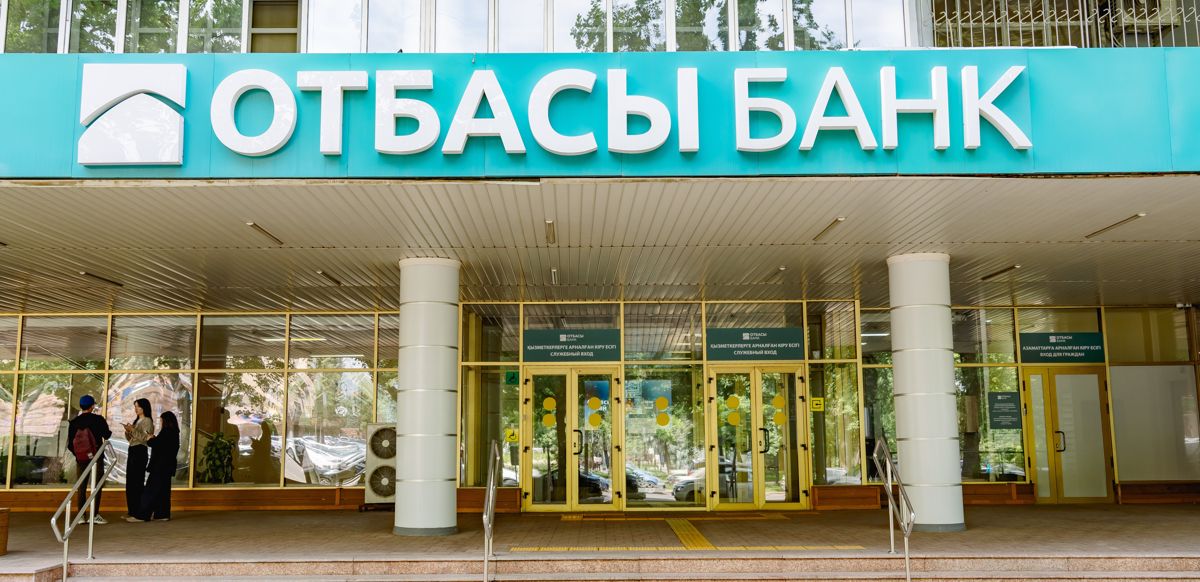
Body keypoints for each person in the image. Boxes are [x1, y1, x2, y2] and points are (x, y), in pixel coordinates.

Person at [66, 395, 112, 524]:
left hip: (81, 459)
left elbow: (70, 445)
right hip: (97, 457)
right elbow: (107, 435)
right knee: (96, 485)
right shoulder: (98, 419)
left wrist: (79, 455)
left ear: (81, 406)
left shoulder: (74, 422)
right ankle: (94, 515)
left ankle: (81, 516)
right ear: (92, 406)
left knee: (81, 486)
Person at [127, 411, 180, 522]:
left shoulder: (166, 431)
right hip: (168, 466)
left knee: (150, 490)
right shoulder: (175, 432)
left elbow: (156, 444)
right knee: (163, 491)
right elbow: (164, 445)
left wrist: (150, 438)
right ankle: (162, 514)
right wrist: (154, 438)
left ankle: (142, 515)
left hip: (160, 466)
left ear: (165, 421)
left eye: (161, 421)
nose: (160, 423)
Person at [121, 398, 153, 519]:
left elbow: (145, 438)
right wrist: (128, 432)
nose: (136, 409)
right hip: (133, 449)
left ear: (144, 407)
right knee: (130, 481)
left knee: (137, 482)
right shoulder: (137, 420)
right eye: (135, 406)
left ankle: (138, 511)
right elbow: (131, 439)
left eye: (138, 406)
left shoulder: (147, 421)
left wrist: (133, 430)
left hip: (140, 451)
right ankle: (131, 510)